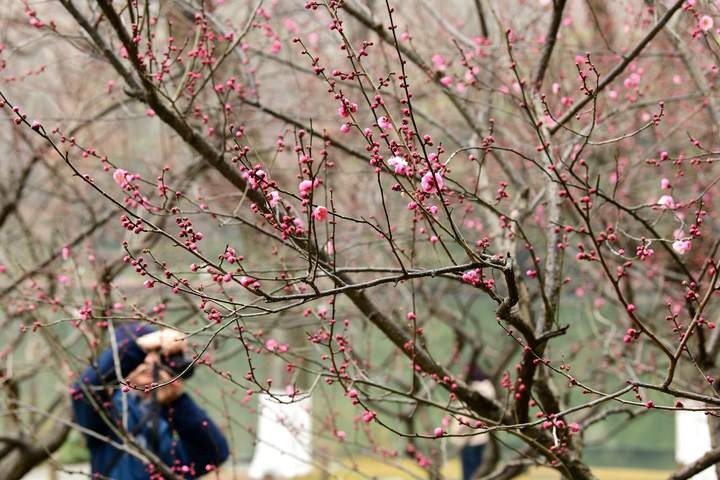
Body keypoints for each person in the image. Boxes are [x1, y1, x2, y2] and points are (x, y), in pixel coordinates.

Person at [71, 323, 230, 479]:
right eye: (142, 356)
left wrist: (176, 402)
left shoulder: (170, 413)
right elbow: (83, 390)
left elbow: (215, 454)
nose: (148, 361)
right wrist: (139, 347)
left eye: (155, 354)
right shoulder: (107, 408)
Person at [449, 364, 496, 480]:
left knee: (470, 471)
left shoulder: (475, 390)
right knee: (475, 467)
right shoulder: (487, 388)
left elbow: (469, 414)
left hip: (470, 437)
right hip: (480, 436)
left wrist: (459, 430)